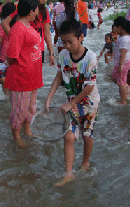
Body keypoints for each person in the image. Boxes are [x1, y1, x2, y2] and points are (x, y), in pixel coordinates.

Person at [45, 19, 100, 187]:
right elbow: (59, 77)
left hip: (90, 103)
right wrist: (49, 97)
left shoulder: (90, 57)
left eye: (71, 41)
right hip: (72, 104)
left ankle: (85, 162)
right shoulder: (62, 56)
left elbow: (89, 87)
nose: (67, 46)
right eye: (64, 42)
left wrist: (71, 104)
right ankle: (68, 174)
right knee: (69, 137)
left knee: (87, 135)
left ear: (81, 37)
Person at [4, 0, 43, 147]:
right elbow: (11, 57)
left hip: (32, 77)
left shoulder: (28, 26)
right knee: (19, 109)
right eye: (37, 9)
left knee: (31, 108)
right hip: (21, 78)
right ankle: (16, 136)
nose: (38, 12)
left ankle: (27, 130)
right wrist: (23, 66)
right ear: (32, 11)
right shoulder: (18, 29)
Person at [2, 0, 55, 66]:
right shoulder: (25, 9)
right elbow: (4, 23)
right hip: (25, 50)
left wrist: (51, 53)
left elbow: (47, 33)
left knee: (37, 74)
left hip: (39, 49)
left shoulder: (45, 11)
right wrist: (13, 38)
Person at [110, 17, 130, 104]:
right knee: (113, 77)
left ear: (120, 27)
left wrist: (121, 65)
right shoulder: (125, 37)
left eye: (114, 27)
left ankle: (123, 101)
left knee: (121, 83)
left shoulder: (124, 39)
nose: (113, 29)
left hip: (123, 63)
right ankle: (128, 88)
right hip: (124, 62)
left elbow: (123, 53)